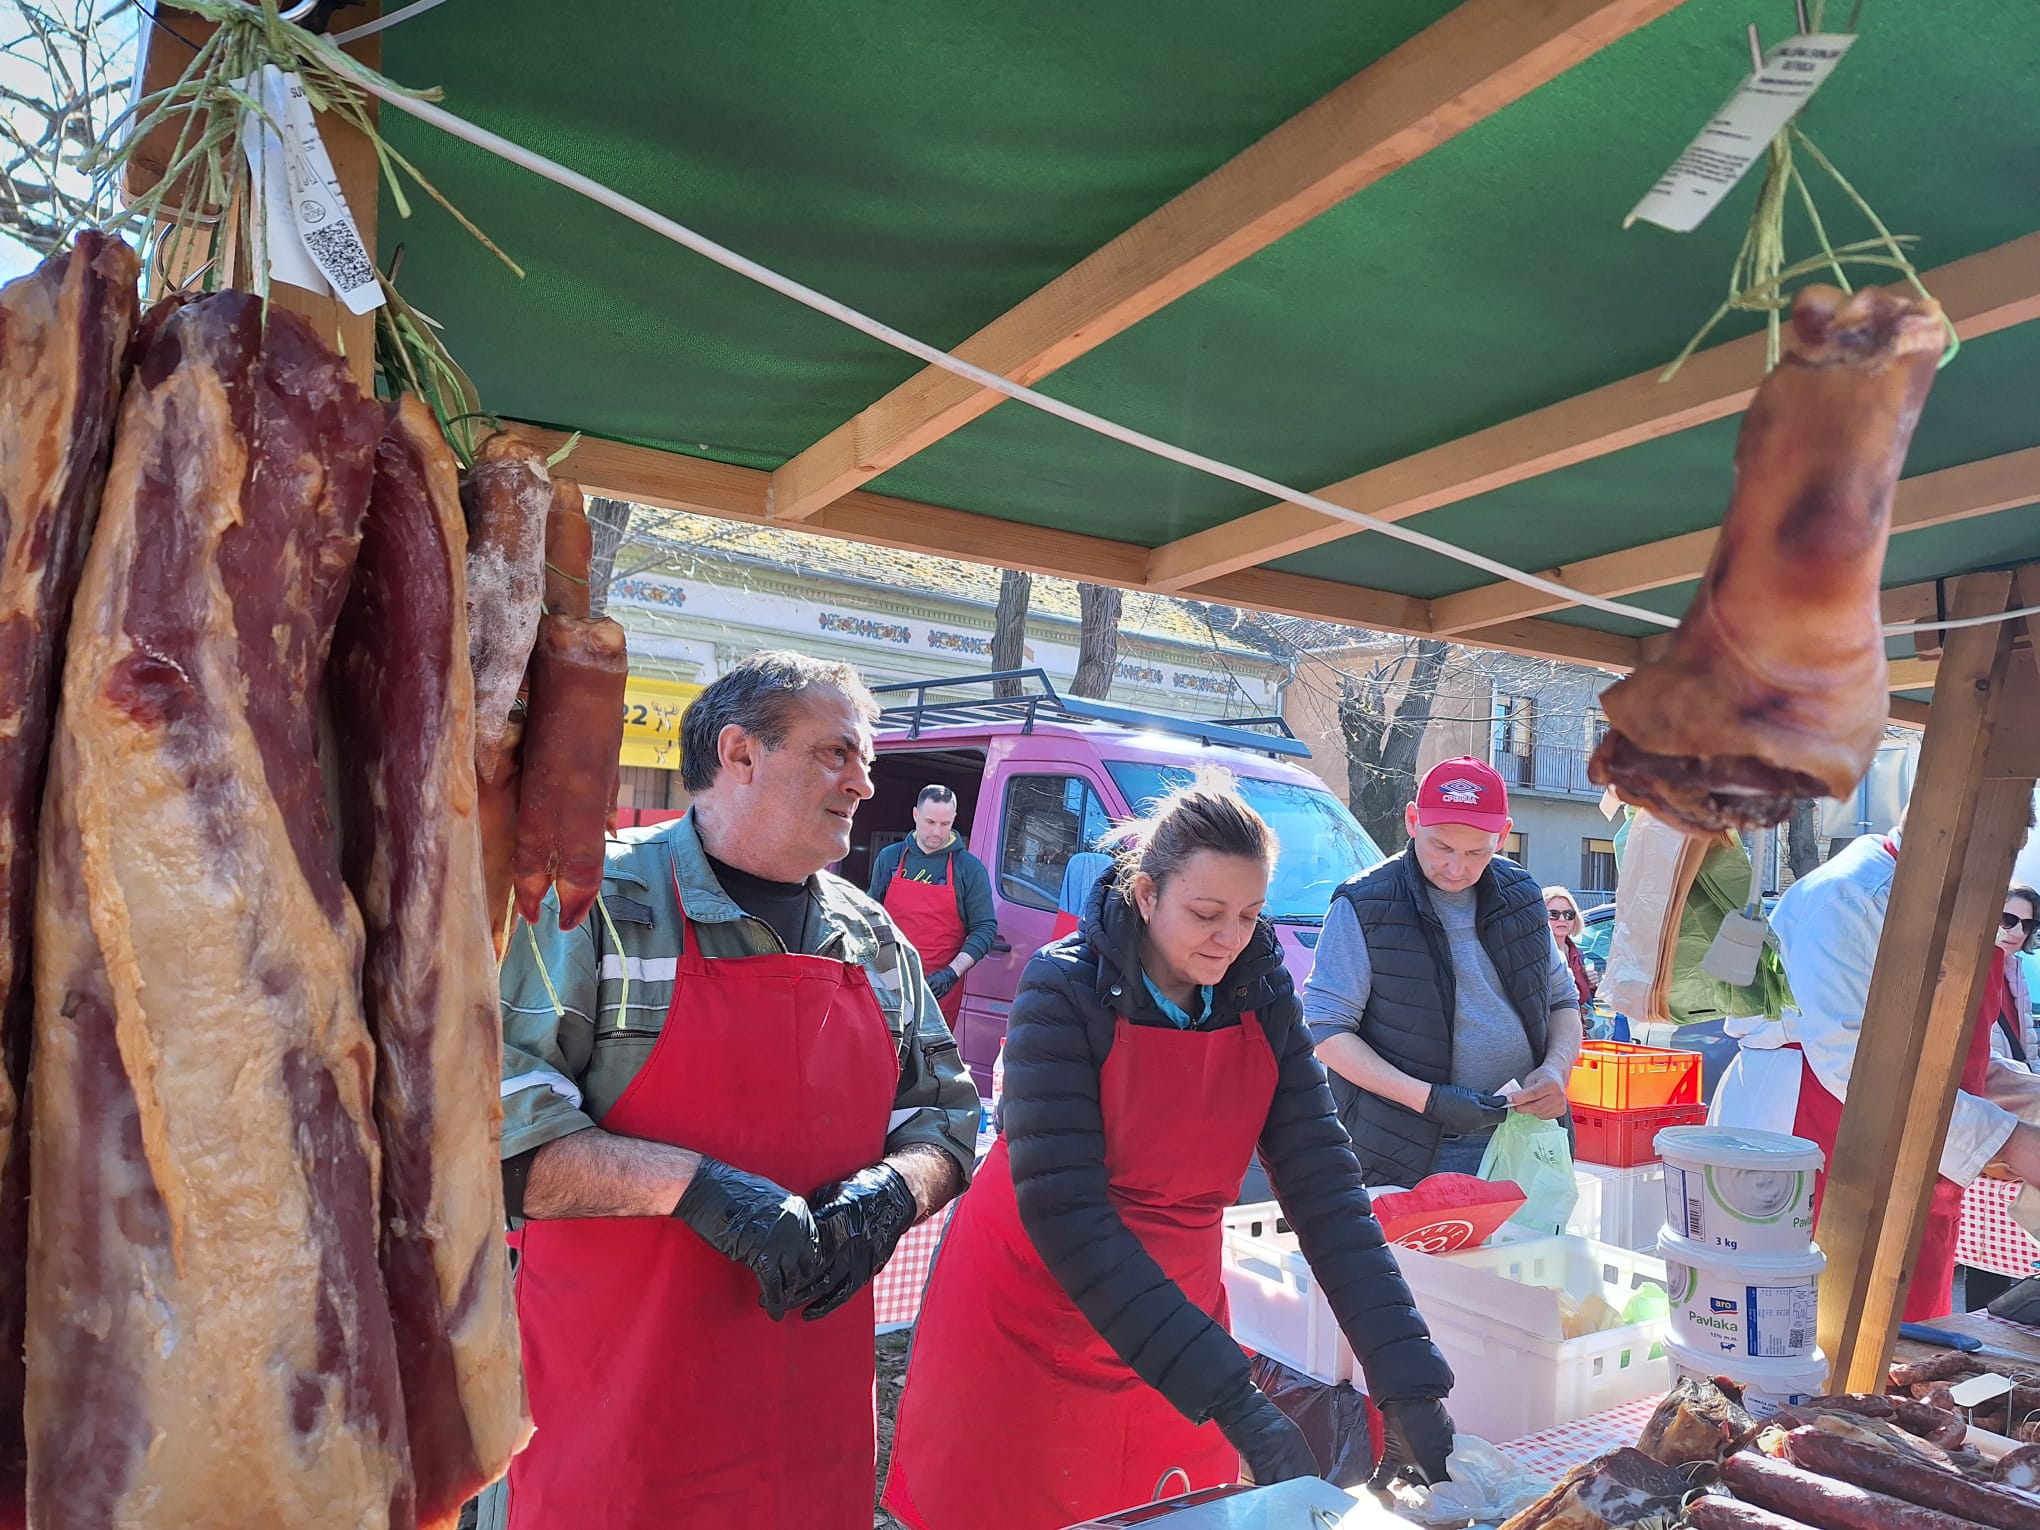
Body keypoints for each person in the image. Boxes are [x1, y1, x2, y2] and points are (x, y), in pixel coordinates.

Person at [882, 771, 1455, 1529]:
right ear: (1148, 895)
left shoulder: (1262, 992)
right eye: (1207, 913)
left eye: (1251, 915)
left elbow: (1323, 1185)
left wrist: (1406, 1377)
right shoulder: (1064, 989)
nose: (1232, 938)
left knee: (1170, 1507)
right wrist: (1235, 1399)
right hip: (1037, 1304)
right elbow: (1068, 1213)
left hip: (1178, 1323)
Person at [493, 652, 979, 1529]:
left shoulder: (870, 938)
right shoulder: (592, 902)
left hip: (809, 1424)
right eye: (837, 754)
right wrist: (706, 1192)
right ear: (740, 754)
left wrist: (891, 1194)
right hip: (621, 1423)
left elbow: (947, 1118)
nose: (866, 785)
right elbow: (496, 1136)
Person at [1713, 824, 2040, 1320]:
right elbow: (1851, 1060)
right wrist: (2012, 1140)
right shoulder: (1849, 895)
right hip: (1821, 1135)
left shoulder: (1928, 896)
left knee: (1911, 1346)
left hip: (1913, 1159)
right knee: (1824, 1336)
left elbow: (1941, 1052)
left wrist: (2027, 1098)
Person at [1305, 757, 1584, 1185]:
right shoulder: (1363, 904)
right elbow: (1327, 1032)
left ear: (1503, 836)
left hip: (1525, 1135)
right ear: (1413, 821)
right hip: (1411, 1148)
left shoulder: (1524, 894)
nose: (1456, 868)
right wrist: (1430, 1100)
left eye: (1477, 852)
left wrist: (1555, 1071)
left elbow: (1562, 1000)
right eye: (1441, 847)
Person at [868, 784, 999, 1032]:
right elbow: (872, 914)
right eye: (930, 822)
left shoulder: (968, 868)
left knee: (925, 1064)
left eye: (945, 824)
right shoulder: (890, 858)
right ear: (916, 815)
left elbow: (985, 928)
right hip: (887, 984)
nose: (937, 832)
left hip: (938, 990)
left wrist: (951, 973)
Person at [1988, 886, 2038, 1069]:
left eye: (2027, 925)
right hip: (1982, 1094)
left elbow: (2029, 1054)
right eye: (2007, 920)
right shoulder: (1959, 971)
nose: (2017, 933)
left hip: (2017, 1088)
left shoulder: (2015, 972)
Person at [1545, 886, 1597, 1013]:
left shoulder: (1576, 954)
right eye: (1553, 914)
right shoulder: (1534, 955)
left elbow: (1580, 1000)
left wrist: (1590, 985)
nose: (1562, 919)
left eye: (1568, 914)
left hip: (1577, 1029)